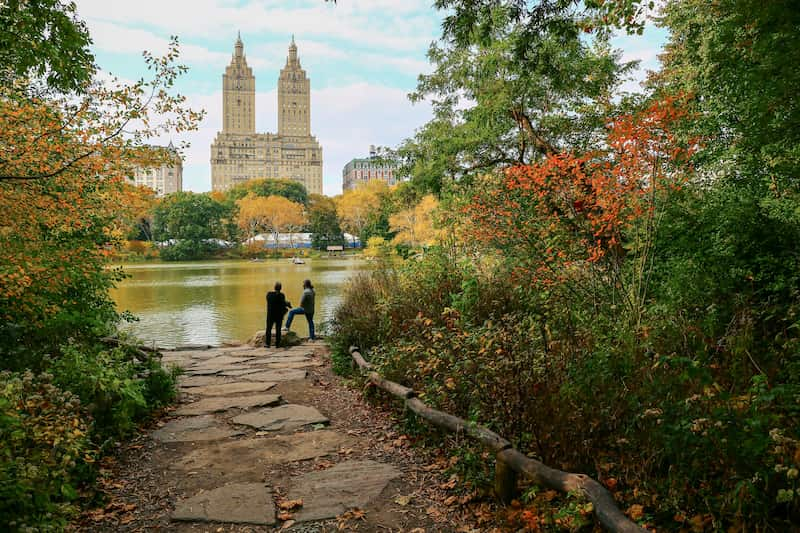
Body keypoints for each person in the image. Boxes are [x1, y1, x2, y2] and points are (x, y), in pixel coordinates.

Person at [265, 282, 290, 348]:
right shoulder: (282, 295)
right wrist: (287, 304)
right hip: (279, 315)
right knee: (278, 329)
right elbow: (283, 303)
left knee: (268, 329)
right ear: (280, 288)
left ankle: (267, 344)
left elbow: (270, 300)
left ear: (274, 287)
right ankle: (277, 344)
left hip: (270, 315)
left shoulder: (269, 294)